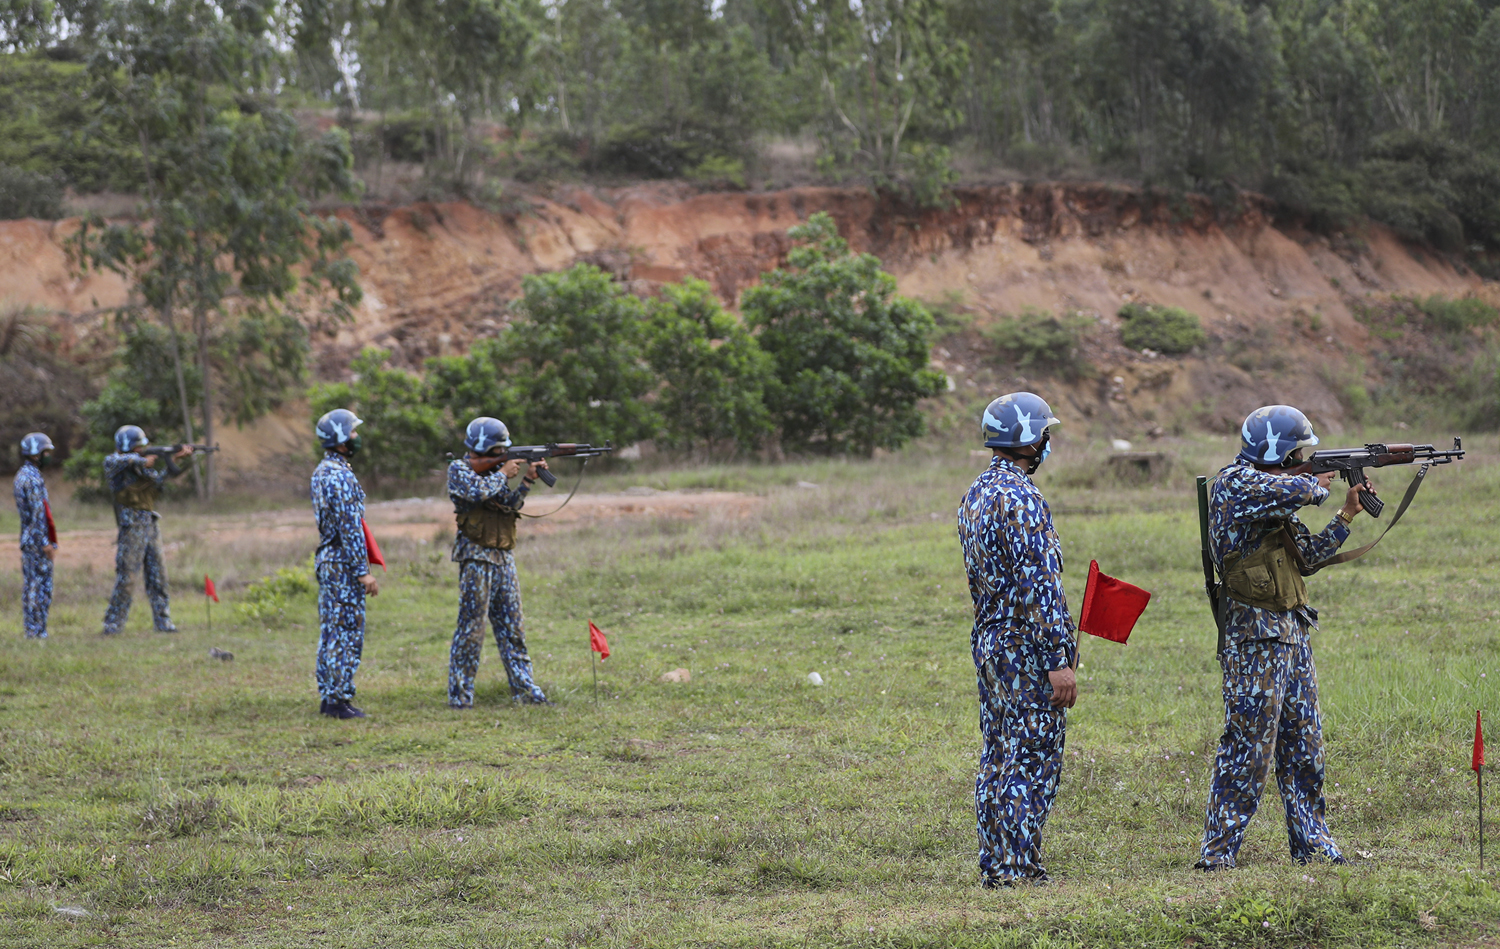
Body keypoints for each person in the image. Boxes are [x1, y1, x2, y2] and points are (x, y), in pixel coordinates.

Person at [1196, 404, 1372, 870]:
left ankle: (1312, 846)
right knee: (1248, 747)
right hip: (1254, 639)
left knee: (1304, 746)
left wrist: (1346, 514)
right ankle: (1218, 854)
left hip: (1292, 632)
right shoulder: (1237, 484)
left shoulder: (1275, 497)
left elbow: (1308, 556)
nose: (1300, 458)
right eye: (1295, 451)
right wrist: (1314, 482)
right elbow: (1285, 487)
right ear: (1277, 450)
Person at [956, 392, 1077, 887]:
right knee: (1031, 758)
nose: (1048, 441)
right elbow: (1040, 588)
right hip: (1026, 650)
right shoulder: (1022, 500)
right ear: (1028, 439)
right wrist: (1058, 660)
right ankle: (1016, 870)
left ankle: (997, 863)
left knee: (999, 756)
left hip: (991, 644)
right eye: (1043, 433)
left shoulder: (976, 494)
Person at [446, 416, 550, 708]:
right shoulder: (459, 469)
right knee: (471, 629)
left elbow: (509, 506)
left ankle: (526, 691)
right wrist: (504, 472)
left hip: (502, 555)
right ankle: (460, 697)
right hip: (476, 556)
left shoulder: (495, 473)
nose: (501, 454)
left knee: (513, 628)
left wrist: (527, 479)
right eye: (497, 450)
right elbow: (475, 493)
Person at [311, 408, 378, 720]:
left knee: (331, 629)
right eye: (351, 433)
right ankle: (339, 700)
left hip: (329, 559)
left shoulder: (322, 471)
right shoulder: (339, 476)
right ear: (339, 440)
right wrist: (363, 572)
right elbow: (350, 528)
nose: (356, 437)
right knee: (346, 630)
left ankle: (329, 696)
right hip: (342, 562)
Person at [102, 426, 193, 635]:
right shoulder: (116, 464)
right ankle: (113, 624)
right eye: (139, 447)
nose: (143, 450)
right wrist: (142, 460)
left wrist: (175, 460)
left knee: (158, 576)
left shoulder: (140, 467)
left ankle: (163, 621)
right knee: (127, 577)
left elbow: (157, 484)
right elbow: (111, 461)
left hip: (150, 524)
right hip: (131, 527)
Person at [14, 432, 58, 639]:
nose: (48, 455)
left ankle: (35, 630)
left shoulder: (25, 474)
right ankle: (36, 631)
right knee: (39, 588)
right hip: (36, 542)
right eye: (45, 451)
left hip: (30, 540)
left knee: (33, 585)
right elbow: (37, 513)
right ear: (36, 453)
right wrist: (45, 543)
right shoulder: (31, 479)